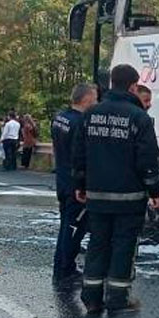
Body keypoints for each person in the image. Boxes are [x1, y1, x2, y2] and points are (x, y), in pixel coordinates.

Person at [72, 64, 159, 314]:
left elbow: (79, 154)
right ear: (134, 86)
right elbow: (147, 160)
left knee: (98, 243)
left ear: (111, 83)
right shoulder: (139, 118)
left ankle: (91, 298)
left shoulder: (90, 114)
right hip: (129, 198)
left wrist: (80, 184)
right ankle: (117, 298)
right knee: (123, 246)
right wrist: (155, 192)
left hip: (97, 196)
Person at [50, 83, 97, 290]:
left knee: (65, 226)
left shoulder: (60, 118)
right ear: (86, 100)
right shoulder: (80, 123)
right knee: (73, 229)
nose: (96, 103)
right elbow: (82, 157)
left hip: (62, 180)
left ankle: (60, 266)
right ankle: (66, 270)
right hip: (74, 186)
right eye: (94, 99)